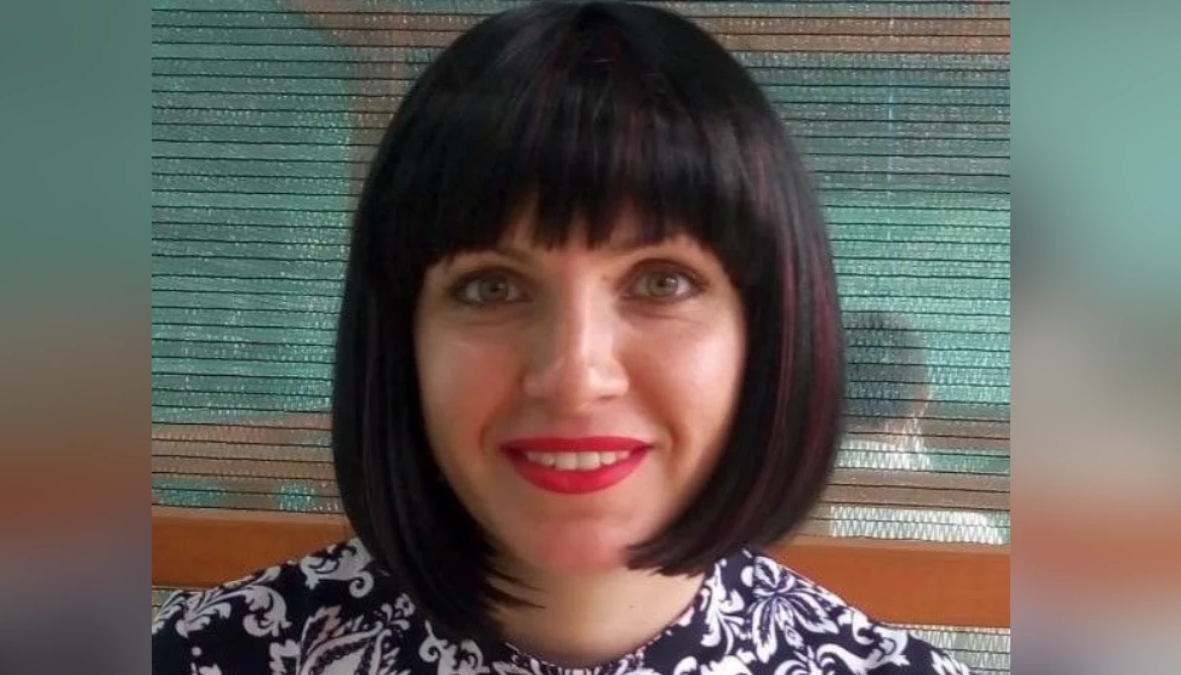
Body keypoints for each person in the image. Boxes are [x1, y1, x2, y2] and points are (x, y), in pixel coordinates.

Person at [152, 2, 973, 673]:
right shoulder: (204, 655)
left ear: (768, 338)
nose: (574, 375)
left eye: (662, 281)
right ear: (401, 343)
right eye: (491, 286)